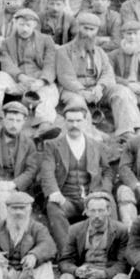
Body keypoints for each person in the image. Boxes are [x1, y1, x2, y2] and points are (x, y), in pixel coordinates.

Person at [33, 191, 132, 279]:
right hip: (82, 278)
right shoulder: (75, 230)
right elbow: (65, 261)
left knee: (122, 278)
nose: (97, 215)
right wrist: (76, 270)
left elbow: (124, 264)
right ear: (86, 211)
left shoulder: (121, 230)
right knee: (66, 276)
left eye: (101, 211)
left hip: (107, 278)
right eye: (93, 211)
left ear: (109, 211)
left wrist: (104, 273)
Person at [39, 102, 114, 252]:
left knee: (109, 202)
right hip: (66, 198)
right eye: (70, 121)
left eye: (78, 121)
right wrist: (54, 192)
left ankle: (110, 251)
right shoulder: (53, 145)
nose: (74, 125)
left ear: (85, 122)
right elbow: (47, 170)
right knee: (53, 207)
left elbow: (107, 170)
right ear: (64, 122)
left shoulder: (96, 145)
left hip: (92, 197)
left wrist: (104, 191)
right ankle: (68, 253)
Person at [55, 12, 140, 140]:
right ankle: (89, 135)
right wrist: (82, 92)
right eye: (85, 28)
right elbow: (66, 77)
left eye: (92, 30)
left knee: (122, 91)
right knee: (77, 102)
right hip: (74, 90)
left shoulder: (99, 52)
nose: (88, 33)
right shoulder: (63, 51)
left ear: (96, 31)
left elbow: (107, 72)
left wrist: (100, 87)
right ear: (78, 28)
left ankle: (126, 131)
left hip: (96, 89)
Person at [0, 6, 59, 123]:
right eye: (21, 24)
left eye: (28, 25)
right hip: (17, 81)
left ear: (35, 25)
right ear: (15, 24)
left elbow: (50, 63)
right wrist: (20, 77)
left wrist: (42, 81)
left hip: (38, 81)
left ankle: (43, 124)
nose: (24, 29)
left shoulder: (46, 40)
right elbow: (6, 63)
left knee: (49, 95)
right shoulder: (7, 43)